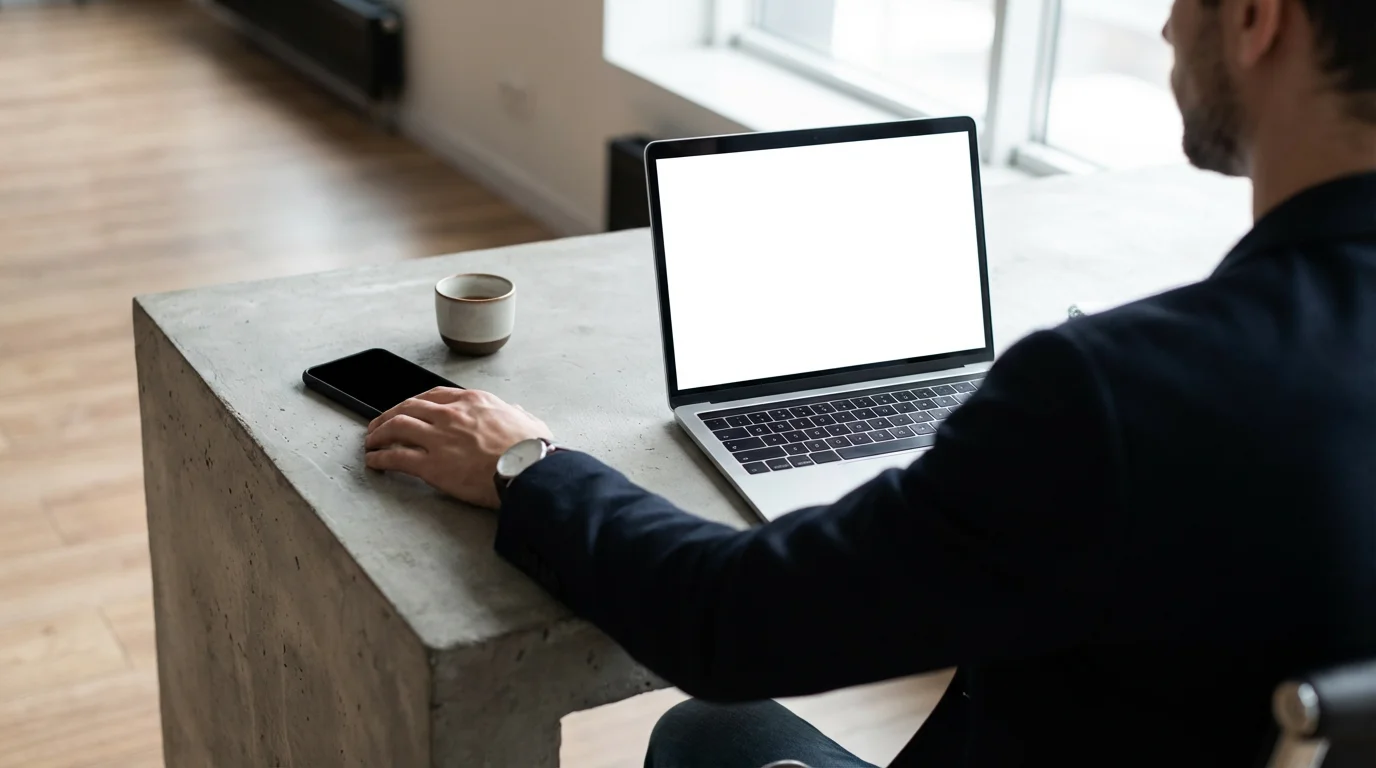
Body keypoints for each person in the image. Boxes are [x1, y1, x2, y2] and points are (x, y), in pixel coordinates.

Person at [362, 0, 1376, 765]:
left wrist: (526, 464)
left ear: (1254, 19)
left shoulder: (1113, 396)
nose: (1160, 25)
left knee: (707, 734)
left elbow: (731, 622)